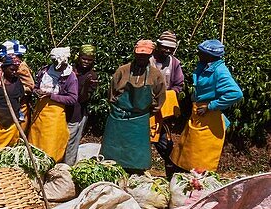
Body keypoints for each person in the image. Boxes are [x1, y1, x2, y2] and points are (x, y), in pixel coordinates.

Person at [171, 39, 243, 173]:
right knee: (188, 150)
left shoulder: (220, 71)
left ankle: (198, 185)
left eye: (201, 52)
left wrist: (210, 106)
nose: (198, 54)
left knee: (201, 155)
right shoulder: (206, 66)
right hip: (199, 114)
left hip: (209, 117)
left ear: (209, 55)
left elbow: (236, 93)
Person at [100, 40, 167, 172]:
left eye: (145, 55)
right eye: (139, 54)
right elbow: (111, 95)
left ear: (151, 55)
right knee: (111, 160)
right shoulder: (122, 71)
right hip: (118, 119)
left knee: (137, 160)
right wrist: (118, 110)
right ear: (134, 53)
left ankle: (135, 174)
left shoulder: (155, 75)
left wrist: (147, 112)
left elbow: (160, 98)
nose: (142, 57)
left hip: (139, 122)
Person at [28, 47, 80, 162]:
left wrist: (51, 96)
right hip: (39, 113)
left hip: (55, 116)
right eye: (54, 61)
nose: (55, 64)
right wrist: (36, 91)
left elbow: (72, 99)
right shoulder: (45, 71)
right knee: (36, 141)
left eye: (57, 61)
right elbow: (36, 86)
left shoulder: (70, 77)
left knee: (50, 145)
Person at [150, 30, 185, 157]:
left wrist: (168, 95)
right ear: (158, 46)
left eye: (171, 48)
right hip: (144, 108)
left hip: (162, 110)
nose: (168, 51)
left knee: (165, 144)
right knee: (141, 139)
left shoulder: (174, 63)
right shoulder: (147, 59)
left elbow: (178, 84)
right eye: (165, 47)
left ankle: (170, 171)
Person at [64, 45, 99, 164]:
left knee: (71, 142)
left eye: (89, 60)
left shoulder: (92, 76)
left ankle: (67, 167)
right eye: (84, 58)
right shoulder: (69, 70)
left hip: (77, 113)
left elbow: (83, 99)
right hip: (63, 111)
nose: (86, 62)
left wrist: (86, 85)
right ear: (79, 57)